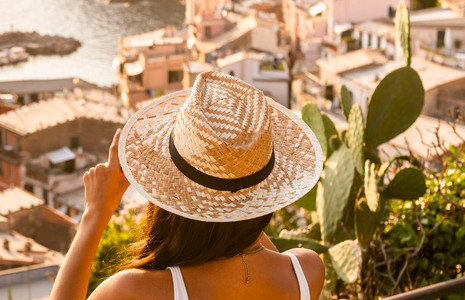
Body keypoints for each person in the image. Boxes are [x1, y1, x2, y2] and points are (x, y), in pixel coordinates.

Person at [50, 71, 326, 300]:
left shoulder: (136, 291)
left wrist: (95, 214)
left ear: (171, 191)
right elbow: (244, 233)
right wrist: (241, 185)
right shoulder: (305, 272)